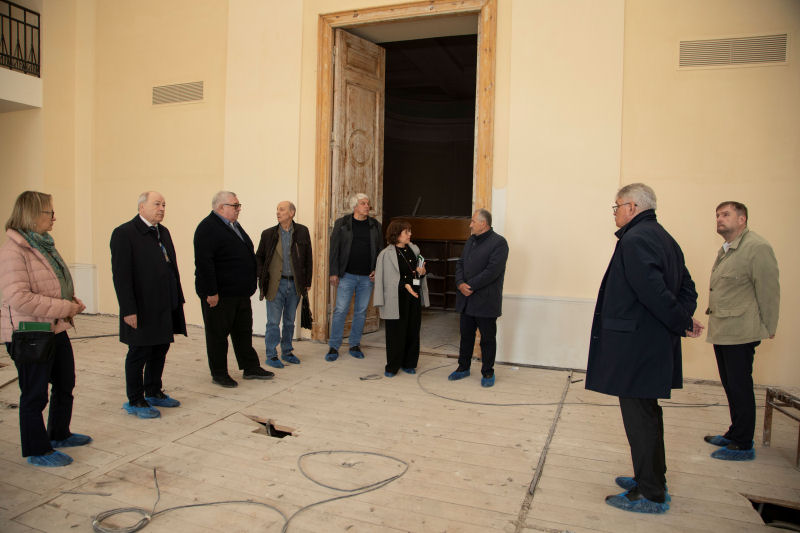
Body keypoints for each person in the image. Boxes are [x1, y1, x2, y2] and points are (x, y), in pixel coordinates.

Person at [585, 183, 703, 514]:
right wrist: (683, 318)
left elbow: (653, 292)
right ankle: (650, 478)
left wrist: (680, 321)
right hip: (651, 344)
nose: (615, 213)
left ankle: (650, 494)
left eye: (617, 206)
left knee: (641, 419)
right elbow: (688, 288)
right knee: (647, 415)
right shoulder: (664, 237)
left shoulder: (635, 240)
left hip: (636, 347)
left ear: (632, 207)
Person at [0, 191, 90, 467]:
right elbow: (19, 297)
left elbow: (52, 284)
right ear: (31, 214)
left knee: (65, 383)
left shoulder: (43, 245)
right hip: (29, 333)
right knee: (35, 393)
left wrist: (71, 301)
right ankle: (37, 450)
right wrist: (64, 307)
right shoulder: (13, 251)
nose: (54, 218)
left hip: (55, 327)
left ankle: (59, 434)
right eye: (49, 212)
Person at [704, 201, 779, 461]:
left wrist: (769, 326)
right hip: (724, 329)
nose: (719, 219)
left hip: (742, 331)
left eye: (725, 214)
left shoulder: (756, 248)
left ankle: (743, 443)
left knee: (740, 386)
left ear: (742, 219)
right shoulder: (727, 249)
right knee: (731, 385)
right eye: (717, 215)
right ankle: (735, 432)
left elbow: (769, 290)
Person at [110, 191, 187, 419]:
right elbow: (121, 276)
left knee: (160, 348)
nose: (162, 208)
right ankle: (135, 399)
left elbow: (170, 268)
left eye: (164, 204)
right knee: (139, 351)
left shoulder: (163, 232)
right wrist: (128, 310)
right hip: (142, 306)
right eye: (156, 204)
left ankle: (153, 391)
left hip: (165, 303)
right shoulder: (125, 233)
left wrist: (177, 298)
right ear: (141, 207)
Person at [194, 191, 274, 387]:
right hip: (220, 295)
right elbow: (204, 264)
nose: (239, 209)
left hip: (239, 293)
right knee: (218, 336)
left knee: (243, 332)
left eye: (239, 205)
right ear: (221, 207)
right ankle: (219, 373)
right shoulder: (208, 228)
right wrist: (211, 292)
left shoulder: (233, 225)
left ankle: (250, 367)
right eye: (235, 205)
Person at [447, 209, 508, 388]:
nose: (470, 225)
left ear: (484, 223)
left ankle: (488, 372)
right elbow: (460, 263)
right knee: (466, 336)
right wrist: (460, 283)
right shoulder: (471, 240)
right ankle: (463, 368)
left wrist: (470, 286)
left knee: (487, 339)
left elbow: (492, 271)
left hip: (485, 301)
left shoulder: (499, 243)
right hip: (466, 300)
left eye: (473, 221)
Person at [325, 193, 383, 361]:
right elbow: (334, 249)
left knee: (361, 312)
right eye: (363, 203)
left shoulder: (375, 225)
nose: (367, 206)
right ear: (355, 206)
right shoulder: (342, 223)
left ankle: (355, 344)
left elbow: (380, 250)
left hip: (367, 278)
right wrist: (333, 272)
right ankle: (334, 346)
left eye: (368, 203)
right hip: (346, 276)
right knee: (340, 310)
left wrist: (377, 270)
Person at [255, 201, 312, 368]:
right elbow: (259, 257)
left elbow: (308, 258)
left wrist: (307, 281)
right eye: (277, 210)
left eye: (282, 210)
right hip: (275, 285)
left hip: (294, 285)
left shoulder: (302, 231)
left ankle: (287, 351)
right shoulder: (268, 234)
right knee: (273, 322)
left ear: (291, 213)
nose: (278, 212)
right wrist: (262, 276)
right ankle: (271, 355)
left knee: (289, 321)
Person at [374, 220, 429, 377]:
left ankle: (409, 363)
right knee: (395, 334)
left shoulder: (414, 249)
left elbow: (418, 272)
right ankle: (392, 366)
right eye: (406, 232)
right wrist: (405, 286)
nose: (410, 234)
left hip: (414, 297)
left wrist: (422, 272)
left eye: (410, 231)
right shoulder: (385, 254)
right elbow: (384, 280)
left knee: (413, 331)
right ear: (397, 234)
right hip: (396, 298)